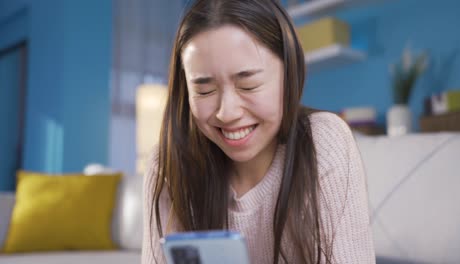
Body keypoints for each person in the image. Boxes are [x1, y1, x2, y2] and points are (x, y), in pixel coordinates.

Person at [142, 0, 375, 263]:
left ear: (289, 75)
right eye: (204, 91)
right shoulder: (168, 167)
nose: (226, 113)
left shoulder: (323, 142)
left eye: (249, 85)